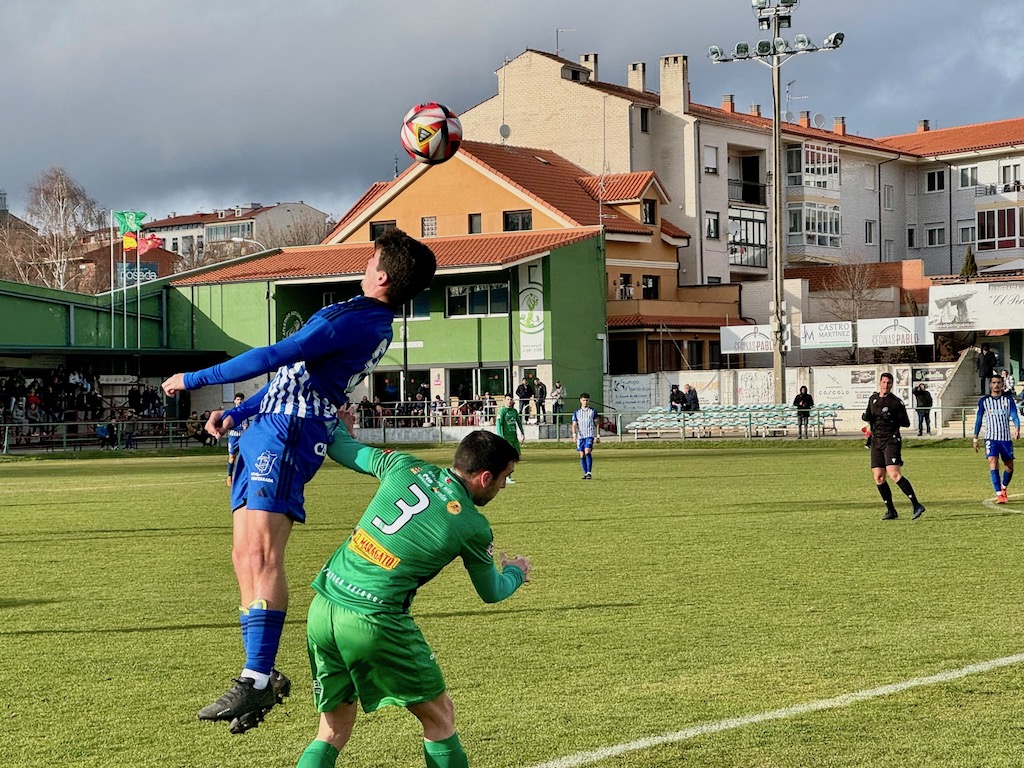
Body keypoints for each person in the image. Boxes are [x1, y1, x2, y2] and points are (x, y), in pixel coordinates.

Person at [161, 228, 436, 734]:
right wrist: (239, 410)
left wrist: (196, 379)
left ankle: (257, 675)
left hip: (289, 433)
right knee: (244, 554)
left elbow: (277, 356)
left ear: (382, 274)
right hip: (267, 425)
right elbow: (294, 376)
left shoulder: (360, 320)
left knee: (263, 553)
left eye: (372, 255)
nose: (366, 259)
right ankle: (258, 677)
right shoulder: (361, 316)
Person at [296, 422, 529, 768]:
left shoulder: (404, 466)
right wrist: (515, 572)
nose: (503, 486)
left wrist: (333, 424)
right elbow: (491, 592)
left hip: (323, 606)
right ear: (484, 477)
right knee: (440, 718)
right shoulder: (471, 525)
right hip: (373, 618)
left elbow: (344, 448)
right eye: (504, 478)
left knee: (332, 729)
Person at [862, 372, 926, 521]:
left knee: (894, 474)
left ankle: (916, 505)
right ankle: (891, 510)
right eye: (884, 382)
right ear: (880, 383)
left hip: (891, 440)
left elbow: (906, 422)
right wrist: (866, 418)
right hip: (876, 441)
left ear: (892, 385)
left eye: (889, 383)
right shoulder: (873, 399)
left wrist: (891, 418)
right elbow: (869, 416)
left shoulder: (895, 402)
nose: (886, 385)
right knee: (878, 476)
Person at [972, 375, 1021, 504]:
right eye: (994, 382)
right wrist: (975, 438)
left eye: (999, 382)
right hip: (990, 438)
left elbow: (1015, 415)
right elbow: (978, 420)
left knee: (1009, 467)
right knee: (993, 463)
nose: (996, 385)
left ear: (1002, 384)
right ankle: (999, 494)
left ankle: (1004, 488)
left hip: (1005, 439)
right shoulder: (984, 401)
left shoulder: (1008, 400)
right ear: (990, 385)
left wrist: (1017, 428)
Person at [494, 394, 524, 484]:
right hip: (506, 439)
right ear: (504, 400)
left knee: (515, 457)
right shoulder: (502, 411)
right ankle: (507, 477)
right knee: (508, 458)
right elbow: (498, 424)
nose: (509, 401)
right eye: (508, 399)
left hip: (514, 438)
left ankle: (506, 475)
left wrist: (522, 433)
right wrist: (500, 436)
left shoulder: (514, 411)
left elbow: (519, 422)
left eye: (511, 399)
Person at [572, 392, 600, 480]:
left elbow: (597, 424)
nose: (585, 402)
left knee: (587, 451)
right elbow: (574, 424)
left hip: (589, 434)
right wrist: (574, 434)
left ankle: (589, 472)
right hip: (580, 436)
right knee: (581, 454)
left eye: (587, 400)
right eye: (584, 400)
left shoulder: (593, 411)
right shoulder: (577, 412)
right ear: (580, 401)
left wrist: (598, 435)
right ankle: (585, 473)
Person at [225, 393, 248, 487]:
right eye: (238, 399)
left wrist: (246, 429)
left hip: (242, 438)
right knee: (232, 457)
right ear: (234, 401)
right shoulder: (231, 413)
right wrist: (240, 428)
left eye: (241, 399)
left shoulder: (245, 413)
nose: (239, 401)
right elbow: (228, 426)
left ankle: (243, 478)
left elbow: (246, 426)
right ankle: (229, 476)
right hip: (233, 438)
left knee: (244, 457)